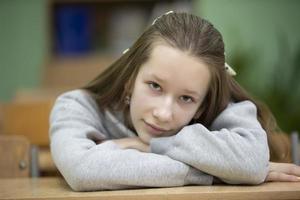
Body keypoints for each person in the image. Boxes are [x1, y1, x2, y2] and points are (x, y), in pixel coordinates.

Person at [49, 12, 300, 191]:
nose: (164, 113)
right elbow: (82, 171)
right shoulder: (75, 106)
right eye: (155, 86)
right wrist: (218, 173)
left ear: (202, 105)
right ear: (130, 78)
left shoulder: (221, 108)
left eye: (186, 98)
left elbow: (252, 163)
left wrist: (150, 146)